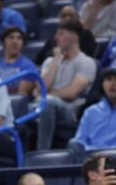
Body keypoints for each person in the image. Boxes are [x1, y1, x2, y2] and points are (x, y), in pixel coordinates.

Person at [35, 19, 97, 150]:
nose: (56, 38)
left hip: (71, 109)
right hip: (45, 103)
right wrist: (56, 60)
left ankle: (42, 151)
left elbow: (71, 93)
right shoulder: (50, 61)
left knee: (48, 102)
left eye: (61, 34)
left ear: (74, 37)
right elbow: (42, 88)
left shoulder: (86, 62)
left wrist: (44, 94)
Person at [66, 67, 116, 163]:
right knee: (73, 144)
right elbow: (80, 140)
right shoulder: (91, 111)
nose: (112, 84)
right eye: (109, 80)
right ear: (103, 85)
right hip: (93, 157)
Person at [0, 27, 38, 95]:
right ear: (3, 42)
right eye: (11, 38)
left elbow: (20, 96)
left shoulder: (28, 67)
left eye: (19, 38)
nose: (15, 41)